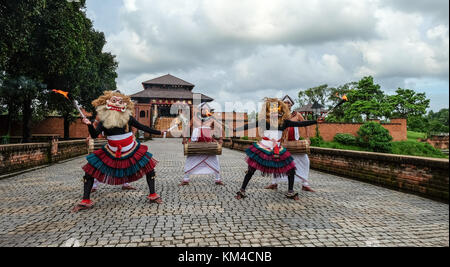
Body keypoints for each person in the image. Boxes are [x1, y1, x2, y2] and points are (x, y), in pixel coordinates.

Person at [73, 91, 162, 212]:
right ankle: (85, 200)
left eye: (120, 101)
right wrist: (89, 125)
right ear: (107, 103)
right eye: (114, 101)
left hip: (131, 148)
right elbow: (94, 135)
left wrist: (160, 132)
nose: (117, 103)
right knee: (89, 172)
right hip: (111, 151)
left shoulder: (128, 118)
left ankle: (153, 194)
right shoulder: (104, 121)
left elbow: (143, 127)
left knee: (149, 167)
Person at [235, 98, 321, 201]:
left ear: (281, 112)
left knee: (291, 169)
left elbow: (301, 124)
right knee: (251, 169)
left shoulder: (285, 123)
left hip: (277, 150)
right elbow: (249, 125)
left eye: (277, 111)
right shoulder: (264, 122)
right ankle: (242, 190)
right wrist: (236, 129)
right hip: (263, 148)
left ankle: (290, 192)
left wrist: (316, 121)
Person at [264, 99, 315, 192]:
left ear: (292, 105)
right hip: (283, 144)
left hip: (296, 143)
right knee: (276, 162)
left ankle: (305, 184)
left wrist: (307, 137)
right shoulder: (280, 117)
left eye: (289, 103)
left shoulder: (297, 115)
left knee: (305, 161)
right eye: (286, 103)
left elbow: (305, 124)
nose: (288, 104)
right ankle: (274, 183)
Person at [180, 102, 224, 186]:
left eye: (207, 109)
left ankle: (218, 179)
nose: (205, 110)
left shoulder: (212, 119)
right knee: (190, 160)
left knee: (215, 160)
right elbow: (186, 128)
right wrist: (184, 138)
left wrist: (221, 139)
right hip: (195, 143)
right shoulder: (195, 118)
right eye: (203, 109)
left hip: (208, 143)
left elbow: (220, 127)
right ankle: (186, 179)